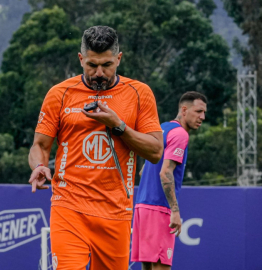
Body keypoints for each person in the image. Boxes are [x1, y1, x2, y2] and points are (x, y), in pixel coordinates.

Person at [28, 25, 163, 270]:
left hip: (116, 212)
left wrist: (117, 125)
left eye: (107, 65)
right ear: (81, 59)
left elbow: (155, 152)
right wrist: (38, 165)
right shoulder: (59, 94)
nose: (99, 73)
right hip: (68, 207)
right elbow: (40, 145)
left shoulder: (139, 93)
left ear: (119, 59)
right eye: (92, 65)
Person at [131, 91, 207, 270]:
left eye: (204, 113)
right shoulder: (181, 134)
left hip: (142, 206)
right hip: (159, 208)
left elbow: (143, 171)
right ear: (184, 109)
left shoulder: (162, 128)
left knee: (147, 267)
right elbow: (165, 173)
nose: (202, 117)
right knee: (161, 266)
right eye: (198, 111)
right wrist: (175, 210)